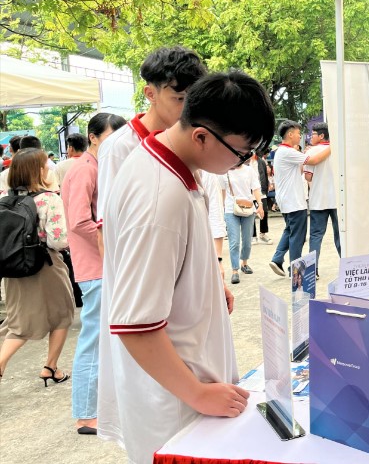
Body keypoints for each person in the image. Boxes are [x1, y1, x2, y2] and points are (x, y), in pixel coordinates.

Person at [97, 70, 274, 464]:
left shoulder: (170, 164)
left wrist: (208, 283)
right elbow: (135, 324)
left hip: (189, 384)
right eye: (242, 153)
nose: (242, 163)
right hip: (177, 401)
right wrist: (196, 393)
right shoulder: (160, 197)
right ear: (202, 136)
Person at [60, 113, 126, 436]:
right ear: (93, 136)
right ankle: (86, 415)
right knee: (93, 339)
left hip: (99, 265)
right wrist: (111, 243)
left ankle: (93, 410)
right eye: (110, 137)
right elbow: (78, 221)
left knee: (101, 338)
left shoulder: (96, 167)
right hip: (95, 266)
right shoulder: (86, 168)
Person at [96, 46, 206, 234]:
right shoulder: (120, 147)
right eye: (179, 99)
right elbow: (106, 226)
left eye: (192, 99)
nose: (188, 109)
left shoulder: (189, 139)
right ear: (150, 94)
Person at [0, 148, 74, 385]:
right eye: (46, 165)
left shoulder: (4, 200)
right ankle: (49, 367)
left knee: (19, 321)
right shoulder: (49, 199)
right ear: (39, 171)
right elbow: (58, 240)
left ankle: (45, 367)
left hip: (12, 268)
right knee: (61, 315)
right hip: (46, 267)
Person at [268, 120, 331, 277]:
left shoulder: (283, 152)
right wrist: (332, 146)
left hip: (286, 200)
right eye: (297, 133)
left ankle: (277, 259)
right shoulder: (287, 152)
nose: (300, 136)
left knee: (290, 230)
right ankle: (295, 271)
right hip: (294, 201)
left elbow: (302, 167)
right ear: (290, 134)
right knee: (298, 237)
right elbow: (314, 161)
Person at [303, 122, 340, 279]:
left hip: (318, 199)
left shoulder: (311, 152)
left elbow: (307, 176)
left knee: (316, 236)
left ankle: (313, 269)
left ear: (322, 135)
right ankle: (347, 265)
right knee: (341, 235)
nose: (311, 137)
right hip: (338, 200)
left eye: (313, 134)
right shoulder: (338, 150)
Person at [221, 160, 264, 284]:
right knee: (234, 241)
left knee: (247, 241)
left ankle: (244, 263)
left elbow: (255, 188)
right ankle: (235, 270)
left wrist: (260, 204)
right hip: (231, 209)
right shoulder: (226, 171)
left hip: (248, 209)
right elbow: (222, 191)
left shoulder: (249, 170)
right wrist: (222, 208)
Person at [253, 149, 274, 245]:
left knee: (264, 211)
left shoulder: (261, 162)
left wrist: (266, 187)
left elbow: (264, 175)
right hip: (250, 192)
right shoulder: (245, 163)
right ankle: (252, 236)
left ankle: (263, 233)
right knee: (251, 214)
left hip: (261, 191)